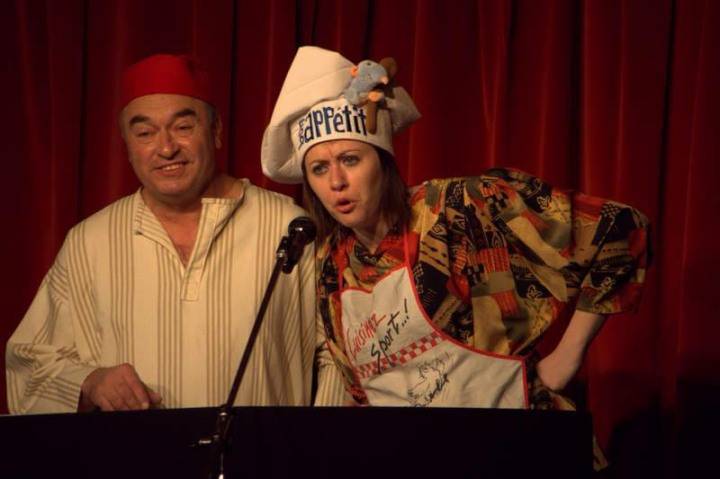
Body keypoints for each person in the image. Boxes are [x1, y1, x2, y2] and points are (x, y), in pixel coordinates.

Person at [262, 47, 649, 418]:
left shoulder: (456, 208)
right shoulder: (333, 262)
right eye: (319, 168)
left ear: (382, 162)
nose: (336, 182)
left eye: (350, 160)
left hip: (512, 440)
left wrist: (566, 358)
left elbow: (619, 227)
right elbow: (360, 391)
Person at [6, 53, 344, 413]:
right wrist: (89, 381)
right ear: (127, 145)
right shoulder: (89, 243)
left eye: (183, 127)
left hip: (265, 449)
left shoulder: (290, 229)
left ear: (216, 131)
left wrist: (313, 442)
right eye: (145, 133)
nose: (166, 148)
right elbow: (28, 362)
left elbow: (341, 357)